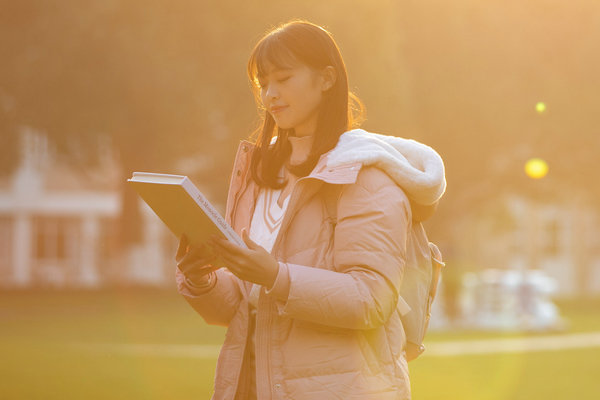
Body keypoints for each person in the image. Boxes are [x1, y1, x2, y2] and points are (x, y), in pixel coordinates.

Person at [175, 20, 445, 400]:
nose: (270, 93)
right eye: (263, 82)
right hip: (251, 385)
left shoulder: (366, 175)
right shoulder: (261, 174)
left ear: (327, 79)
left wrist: (275, 275)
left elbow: (371, 299)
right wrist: (202, 279)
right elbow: (243, 306)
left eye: (284, 78)